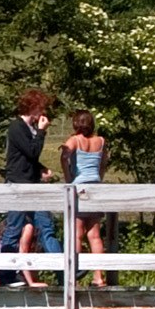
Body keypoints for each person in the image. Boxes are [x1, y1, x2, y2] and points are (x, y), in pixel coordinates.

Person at [0, 89, 52, 289]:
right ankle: (5, 275)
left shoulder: (28, 128)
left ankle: (17, 274)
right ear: (32, 107)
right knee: (13, 229)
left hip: (29, 184)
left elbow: (28, 158)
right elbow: (32, 151)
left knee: (36, 228)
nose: (42, 112)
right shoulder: (17, 127)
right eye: (40, 108)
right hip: (18, 184)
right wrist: (42, 132)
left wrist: (40, 169)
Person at [61, 108, 112, 287]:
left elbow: (64, 156)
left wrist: (68, 178)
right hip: (95, 187)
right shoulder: (101, 141)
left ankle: (74, 276)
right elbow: (103, 164)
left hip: (79, 188)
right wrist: (99, 177)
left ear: (76, 123)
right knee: (95, 235)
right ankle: (99, 276)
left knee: (77, 234)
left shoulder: (75, 140)